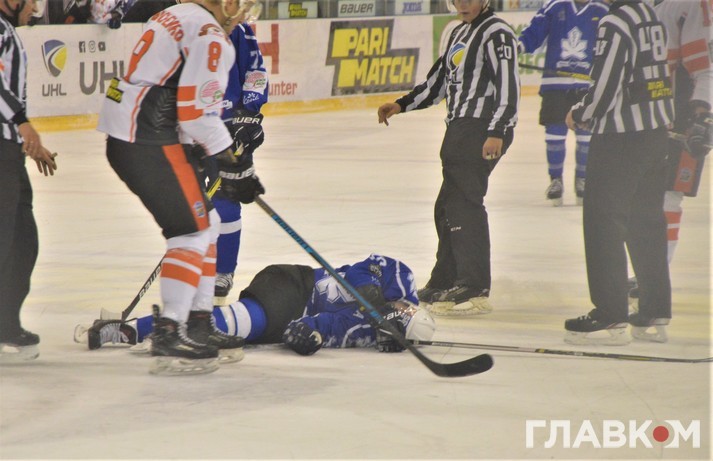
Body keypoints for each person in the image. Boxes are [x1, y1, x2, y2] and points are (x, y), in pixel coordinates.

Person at [96, 0, 264, 375]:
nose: (243, 15)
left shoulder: (177, 14)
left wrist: (199, 149)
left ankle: (199, 323)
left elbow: (173, 89)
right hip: (148, 136)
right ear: (227, 3)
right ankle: (171, 331)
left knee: (210, 224)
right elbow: (195, 113)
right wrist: (233, 163)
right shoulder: (211, 35)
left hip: (140, 131)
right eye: (241, 5)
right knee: (191, 231)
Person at [377, 0, 520, 316]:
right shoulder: (459, 33)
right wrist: (402, 104)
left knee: (463, 203)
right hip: (460, 128)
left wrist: (497, 130)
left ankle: (473, 285)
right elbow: (437, 84)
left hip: (481, 127)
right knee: (447, 206)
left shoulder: (497, 32)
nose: (462, 3)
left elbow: (509, 86)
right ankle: (446, 279)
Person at [564, 0, 675, 345]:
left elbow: (607, 84)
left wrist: (581, 113)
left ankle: (609, 314)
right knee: (646, 222)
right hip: (656, 135)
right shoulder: (648, 14)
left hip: (621, 139)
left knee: (603, 223)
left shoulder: (614, 23)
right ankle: (654, 309)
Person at [74, 254, 437, 355]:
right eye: (404, 313)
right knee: (233, 323)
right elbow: (364, 270)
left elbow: (324, 327)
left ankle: (148, 330)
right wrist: (372, 298)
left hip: (287, 318)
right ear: (410, 306)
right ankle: (125, 330)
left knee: (223, 329)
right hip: (292, 285)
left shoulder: (368, 332)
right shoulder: (400, 279)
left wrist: (305, 338)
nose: (399, 315)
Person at [628, 0, 712, 313]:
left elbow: (705, 67)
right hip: (652, 117)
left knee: (668, 197)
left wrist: (702, 117)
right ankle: (648, 273)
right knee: (645, 196)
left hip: (682, 118)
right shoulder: (648, 6)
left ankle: (654, 276)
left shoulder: (690, 4)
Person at [0, 0, 58, 363]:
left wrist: (25, 140)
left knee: (22, 239)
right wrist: (23, 124)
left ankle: (6, 323)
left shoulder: (7, 30)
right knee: (8, 239)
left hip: (9, 149)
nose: (35, 7)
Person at [518, 0, 608, 206]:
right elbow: (534, 32)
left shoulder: (602, 11)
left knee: (586, 135)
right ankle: (556, 180)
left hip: (587, 86)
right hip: (555, 85)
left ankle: (582, 179)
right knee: (555, 133)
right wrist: (518, 46)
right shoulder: (555, 6)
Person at [205, 18, 268, 301]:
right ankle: (194, 264)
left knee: (225, 200)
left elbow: (255, 71)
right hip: (189, 128)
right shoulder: (180, 26)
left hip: (230, 129)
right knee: (188, 202)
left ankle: (222, 270)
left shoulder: (237, 29)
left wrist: (249, 113)